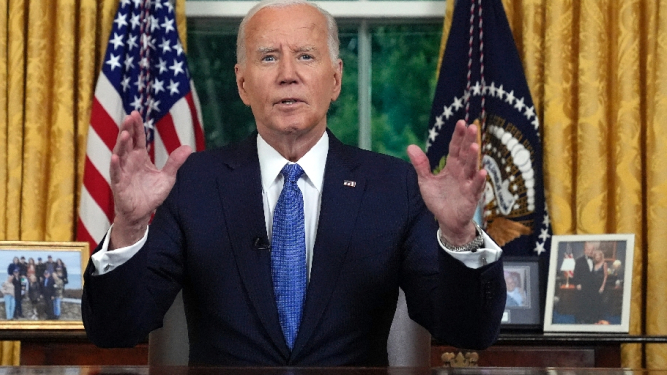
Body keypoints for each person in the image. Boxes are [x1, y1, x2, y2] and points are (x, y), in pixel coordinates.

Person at [82, 0, 505, 366]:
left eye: (305, 56)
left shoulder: (393, 187)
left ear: (335, 79)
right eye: (268, 57)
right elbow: (114, 330)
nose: (288, 74)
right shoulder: (194, 185)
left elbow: (468, 332)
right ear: (242, 83)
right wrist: (129, 229)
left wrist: (459, 235)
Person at [573, 241, 600, 323]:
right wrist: (577, 284)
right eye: (588, 249)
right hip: (583, 289)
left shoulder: (597, 261)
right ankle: (581, 320)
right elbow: (575, 276)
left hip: (593, 289)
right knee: (582, 306)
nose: (591, 252)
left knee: (593, 306)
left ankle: (592, 320)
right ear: (585, 250)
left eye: (592, 250)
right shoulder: (579, 261)